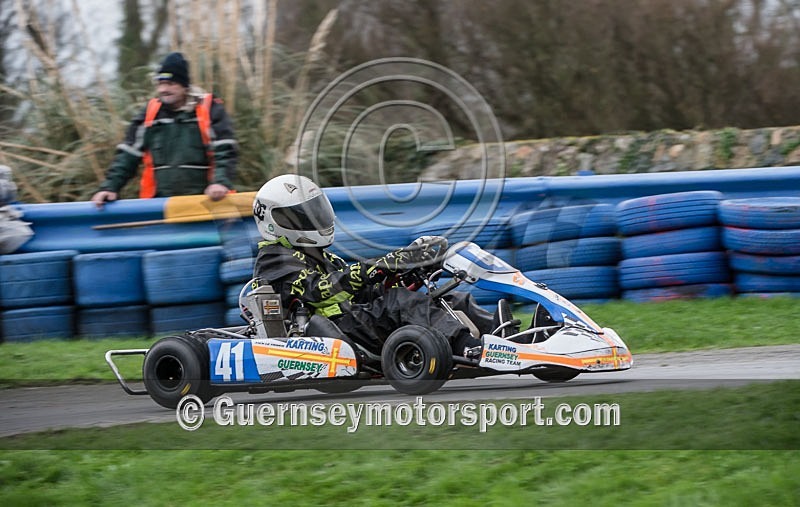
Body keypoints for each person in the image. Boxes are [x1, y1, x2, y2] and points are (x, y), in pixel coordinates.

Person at [251, 174, 511, 359]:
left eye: (316, 211)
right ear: (275, 221)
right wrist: (373, 269)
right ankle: (469, 347)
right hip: (331, 331)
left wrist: (404, 272)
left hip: (355, 322)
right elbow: (316, 290)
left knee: (451, 298)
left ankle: (507, 340)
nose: (315, 219)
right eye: (303, 215)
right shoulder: (274, 259)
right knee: (399, 302)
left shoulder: (324, 258)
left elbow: (366, 294)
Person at [91, 52, 237, 207]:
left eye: (170, 83)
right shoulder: (150, 113)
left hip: (205, 204)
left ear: (185, 86)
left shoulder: (209, 108)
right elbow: (128, 155)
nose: (163, 89)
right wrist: (110, 187)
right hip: (159, 205)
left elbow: (225, 151)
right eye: (160, 83)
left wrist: (220, 183)